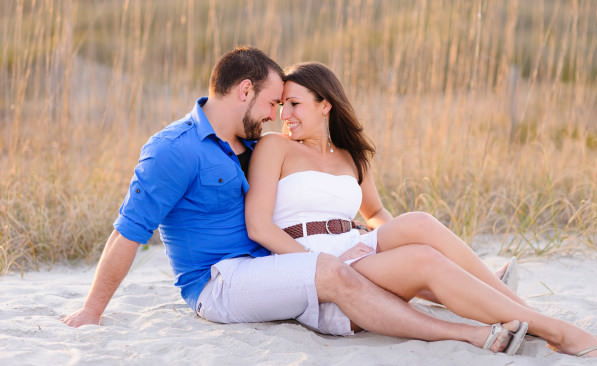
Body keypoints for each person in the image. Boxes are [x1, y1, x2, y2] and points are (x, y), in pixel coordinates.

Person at [61, 48, 522, 353]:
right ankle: (469, 329)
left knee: (406, 243)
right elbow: (129, 231)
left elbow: (332, 202)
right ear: (245, 92)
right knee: (341, 272)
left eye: (287, 105)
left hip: (266, 265)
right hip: (217, 282)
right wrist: (92, 311)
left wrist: (351, 235)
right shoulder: (174, 150)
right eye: (272, 104)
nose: (275, 115)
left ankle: (488, 292)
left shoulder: (247, 143)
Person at [243, 62, 597, 357]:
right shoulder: (275, 147)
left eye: (294, 104)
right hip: (312, 264)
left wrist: (379, 242)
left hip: (355, 251)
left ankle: (519, 310)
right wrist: (322, 263)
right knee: (423, 259)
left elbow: (376, 213)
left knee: (419, 225)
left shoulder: (351, 157)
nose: (283, 115)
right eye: (281, 105)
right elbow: (260, 227)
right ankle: (550, 328)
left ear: (325, 105)